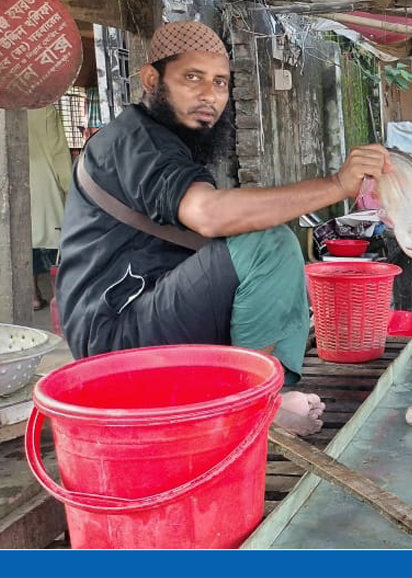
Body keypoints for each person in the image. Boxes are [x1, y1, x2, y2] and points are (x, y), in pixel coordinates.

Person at [57, 22, 393, 435]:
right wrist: (336, 186)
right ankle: (253, 407)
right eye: (191, 78)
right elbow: (208, 215)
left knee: (275, 262)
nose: (209, 95)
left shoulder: (168, 143)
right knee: (269, 245)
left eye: (220, 83)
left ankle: (253, 392)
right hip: (114, 338)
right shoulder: (134, 140)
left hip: (146, 312)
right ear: (151, 79)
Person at [28, 105, 73, 311]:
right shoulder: (44, 109)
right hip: (43, 187)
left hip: (10, 188)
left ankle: (33, 296)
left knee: (23, 244)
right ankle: (60, 300)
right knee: (55, 246)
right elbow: (58, 153)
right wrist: (70, 188)